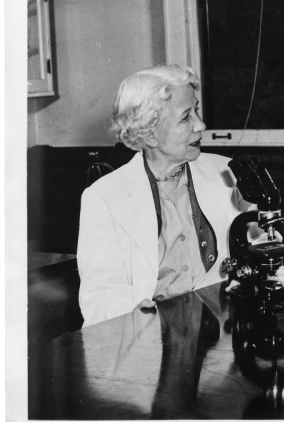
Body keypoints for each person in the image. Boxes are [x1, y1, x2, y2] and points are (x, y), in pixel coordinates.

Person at [77, 64, 258, 327]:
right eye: (186, 117)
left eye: (196, 110)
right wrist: (135, 310)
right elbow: (100, 294)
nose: (201, 124)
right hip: (148, 343)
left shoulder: (226, 173)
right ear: (150, 133)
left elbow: (261, 241)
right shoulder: (103, 198)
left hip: (223, 335)